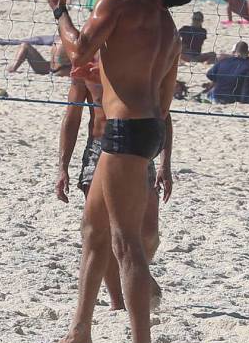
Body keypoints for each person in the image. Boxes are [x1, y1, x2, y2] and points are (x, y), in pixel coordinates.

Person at [31, 0, 207, 343]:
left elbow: (75, 52)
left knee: (125, 243)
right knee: (93, 231)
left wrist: (59, 10)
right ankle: (79, 332)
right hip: (145, 130)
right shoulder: (170, 29)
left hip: (125, 132)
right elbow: (164, 102)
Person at [56, 57, 171, 313]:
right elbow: (72, 116)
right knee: (103, 232)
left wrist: (166, 163)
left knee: (149, 233)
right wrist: (62, 166)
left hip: (137, 144)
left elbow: (163, 114)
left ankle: (135, 270)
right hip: (99, 146)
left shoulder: (140, 56)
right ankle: (118, 301)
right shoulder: (86, 64)